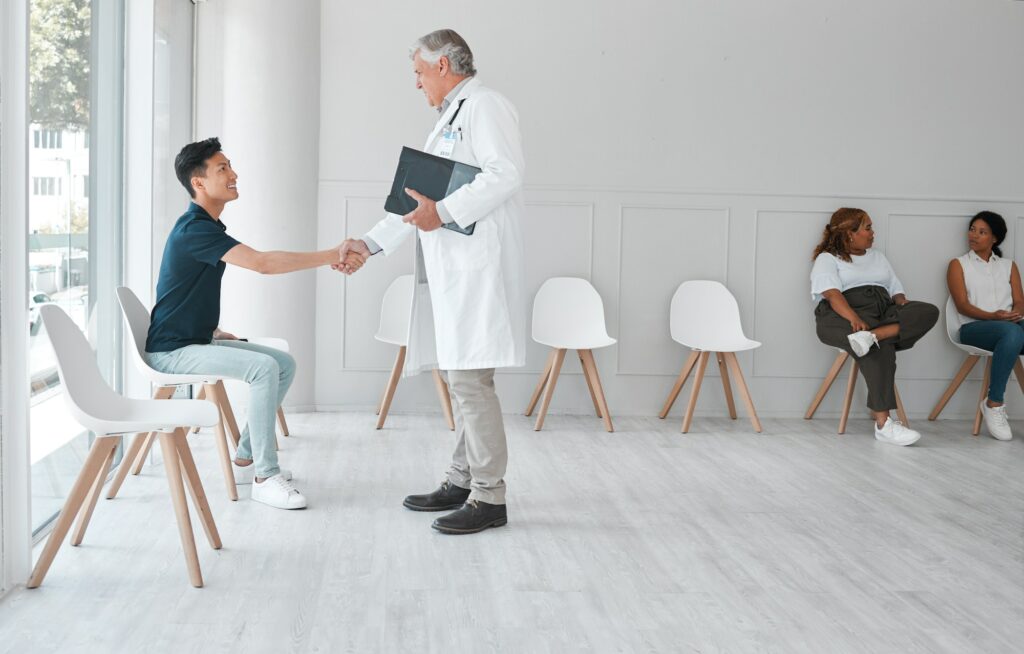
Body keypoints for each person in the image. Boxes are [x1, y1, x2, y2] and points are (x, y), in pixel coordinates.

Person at [337, 29, 526, 534]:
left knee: (469, 380)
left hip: (476, 269)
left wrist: (442, 212)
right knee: (462, 376)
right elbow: (414, 203)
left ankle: (490, 497)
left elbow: (505, 174)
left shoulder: (485, 106)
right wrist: (369, 244)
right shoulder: (451, 118)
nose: (417, 85)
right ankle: (462, 480)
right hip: (452, 269)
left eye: (419, 73)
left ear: (443, 65)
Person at [145, 137, 363, 509]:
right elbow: (263, 263)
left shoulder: (203, 227)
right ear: (198, 183)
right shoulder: (193, 229)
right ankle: (265, 475)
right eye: (222, 169)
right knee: (263, 368)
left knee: (282, 364)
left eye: (230, 166)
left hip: (193, 341)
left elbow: (180, 291)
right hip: (172, 352)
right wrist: (332, 254)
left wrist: (212, 331)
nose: (233, 174)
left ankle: (246, 455)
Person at [810, 208, 939, 446]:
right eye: (868, 228)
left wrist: (903, 305)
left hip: (881, 311)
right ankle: (883, 424)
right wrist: (854, 319)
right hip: (840, 314)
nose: (873, 233)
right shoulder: (827, 259)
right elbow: (831, 293)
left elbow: (896, 289)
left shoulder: (878, 256)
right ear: (850, 234)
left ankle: (872, 336)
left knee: (929, 311)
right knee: (877, 348)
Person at [947, 211, 1023, 441]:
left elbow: (1019, 300)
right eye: (972, 229)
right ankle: (994, 403)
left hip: (1010, 326)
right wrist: (993, 316)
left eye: (982, 232)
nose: (974, 235)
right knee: (1012, 332)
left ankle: (994, 403)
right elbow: (962, 306)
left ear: (995, 238)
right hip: (973, 328)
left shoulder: (1009, 266)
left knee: (1012, 332)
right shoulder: (958, 264)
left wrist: (1016, 313)